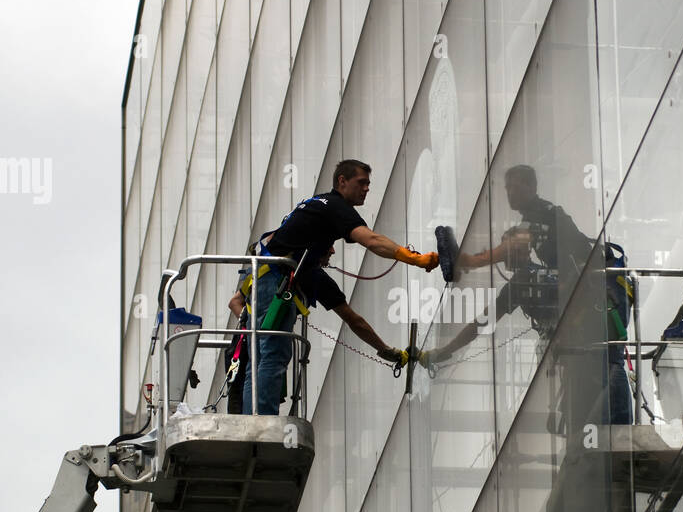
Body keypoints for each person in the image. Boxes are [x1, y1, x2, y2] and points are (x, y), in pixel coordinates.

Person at [428, 164, 633, 426]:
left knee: (607, 370)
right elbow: (484, 320)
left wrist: (467, 261)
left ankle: (463, 261)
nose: (511, 192)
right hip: (592, 319)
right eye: (507, 188)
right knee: (590, 388)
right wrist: (446, 350)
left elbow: (516, 243)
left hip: (603, 302)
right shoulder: (527, 278)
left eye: (516, 186)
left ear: (531, 187)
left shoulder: (543, 216)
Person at [235, 159, 438, 415]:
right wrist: (413, 258)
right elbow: (371, 239)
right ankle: (261, 422)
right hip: (273, 280)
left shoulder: (310, 260)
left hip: (266, 278)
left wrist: (388, 351)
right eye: (361, 183)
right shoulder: (334, 206)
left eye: (368, 184)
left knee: (261, 357)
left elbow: (353, 319)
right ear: (342, 181)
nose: (366, 189)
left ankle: (253, 418)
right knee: (273, 353)